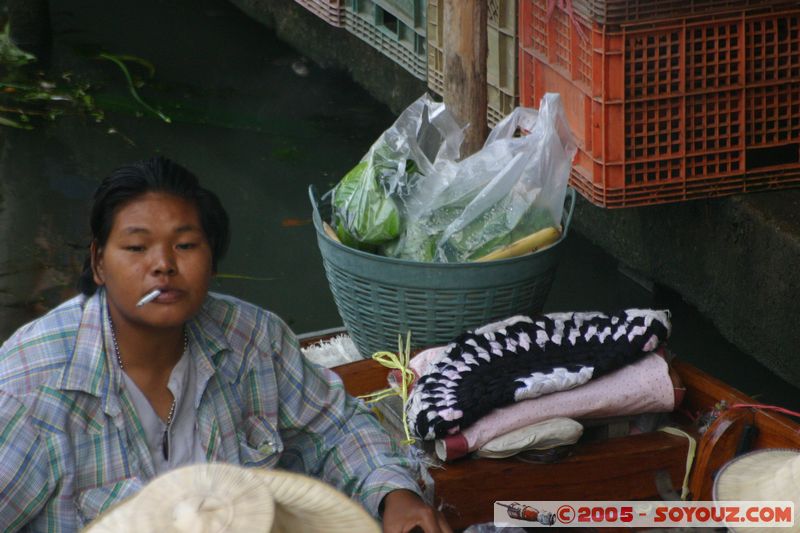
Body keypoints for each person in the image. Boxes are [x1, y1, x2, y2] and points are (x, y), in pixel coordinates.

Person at [0, 156, 451, 533]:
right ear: (98, 263)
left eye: (186, 244)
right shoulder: (32, 391)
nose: (163, 266)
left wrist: (395, 493)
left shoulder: (251, 338)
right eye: (136, 248)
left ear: (211, 258)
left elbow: (335, 427)